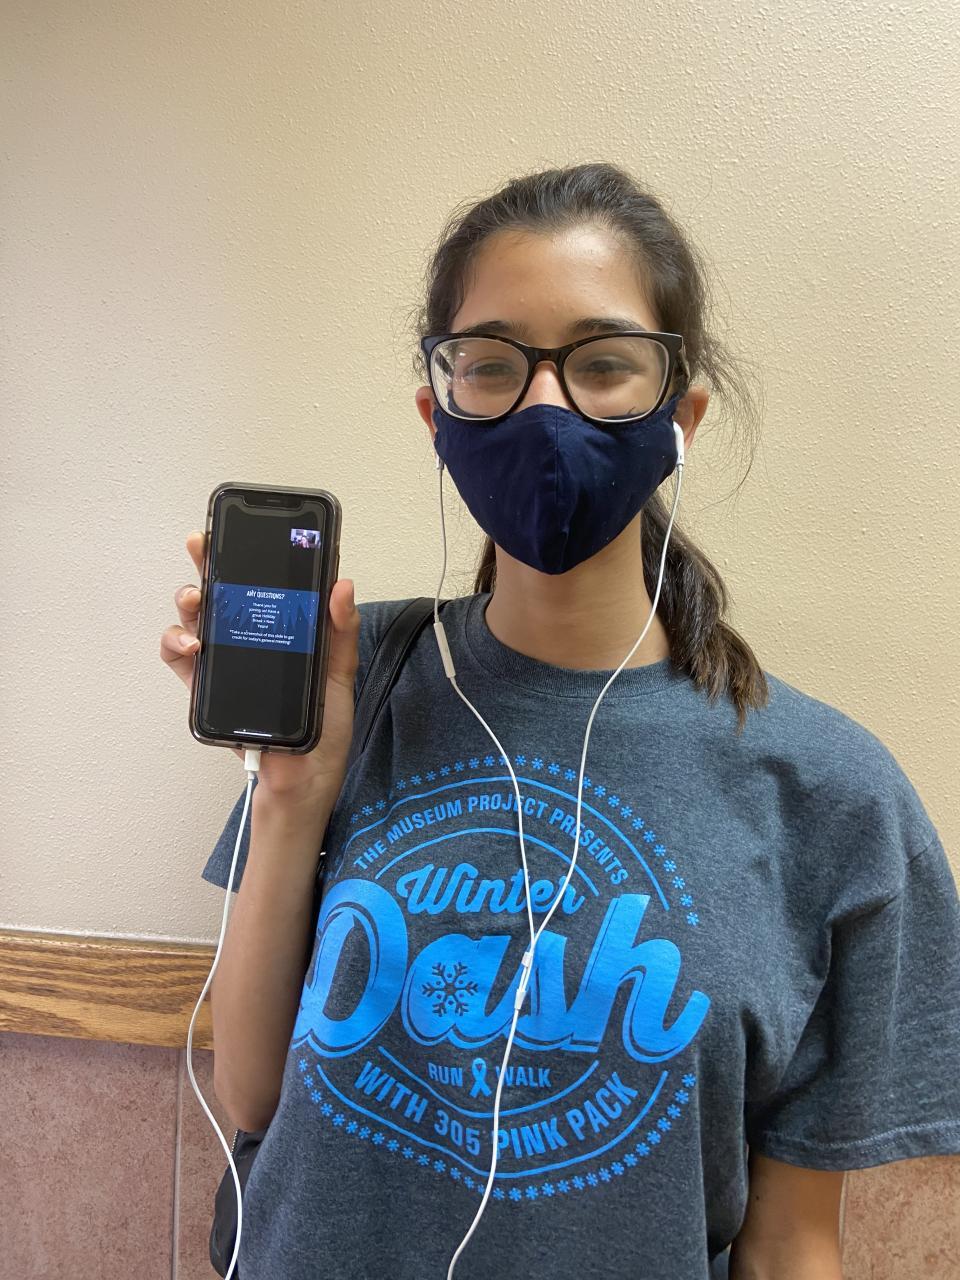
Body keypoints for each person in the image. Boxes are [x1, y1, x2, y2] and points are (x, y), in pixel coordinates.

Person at [163, 162, 960, 1279]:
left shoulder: (832, 795)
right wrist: (292, 792)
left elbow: (790, 1243)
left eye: (602, 363)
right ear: (439, 412)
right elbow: (252, 1098)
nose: (547, 407)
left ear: (680, 412)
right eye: (493, 364)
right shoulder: (350, 677)